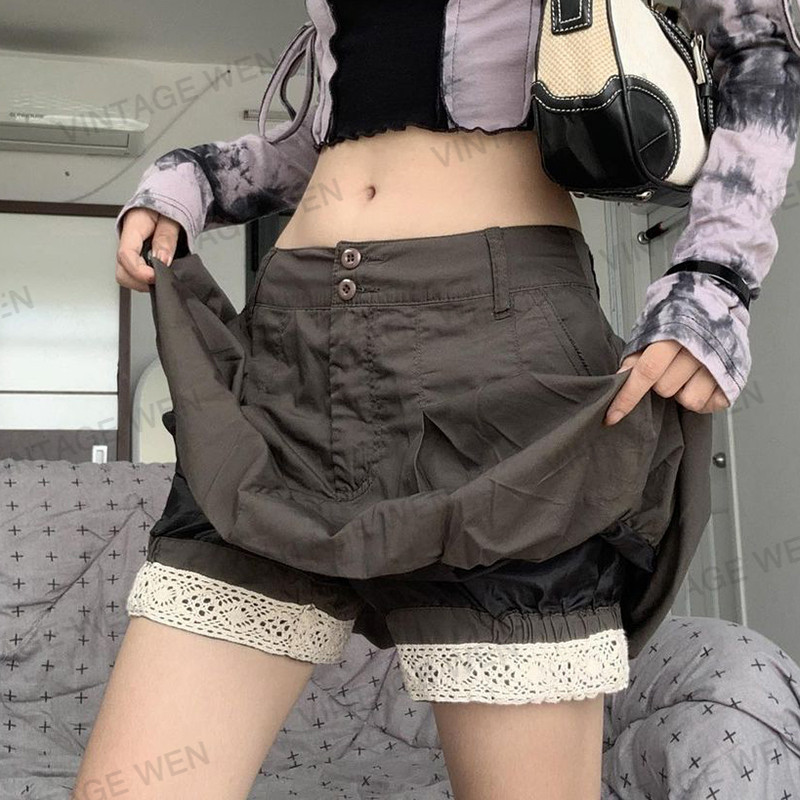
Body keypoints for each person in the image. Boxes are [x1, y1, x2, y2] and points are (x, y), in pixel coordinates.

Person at [75, 2, 800, 799]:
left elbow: (760, 52)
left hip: (499, 360)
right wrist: (188, 181)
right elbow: (321, 145)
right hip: (291, 359)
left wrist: (714, 279)